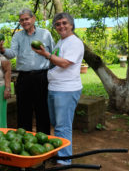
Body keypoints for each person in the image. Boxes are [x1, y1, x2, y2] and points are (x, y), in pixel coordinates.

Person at [33, 12, 84, 165]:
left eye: (64, 23)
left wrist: (46, 54)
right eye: (58, 24)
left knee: (63, 126)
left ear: (71, 25)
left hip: (67, 89)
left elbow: (64, 63)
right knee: (56, 124)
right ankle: (60, 154)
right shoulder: (61, 42)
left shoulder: (74, 42)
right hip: (55, 88)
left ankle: (64, 160)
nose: (61, 26)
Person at [0, 9, 54, 134]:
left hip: (41, 77)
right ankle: (24, 139)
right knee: (23, 110)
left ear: (33, 19)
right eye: (21, 20)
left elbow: (54, 54)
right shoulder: (17, 36)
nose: (24, 22)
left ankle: (43, 141)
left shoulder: (45, 34)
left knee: (42, 109)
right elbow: (11, 54)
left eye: (26, 19)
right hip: (24, 78)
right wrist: (2, 48)